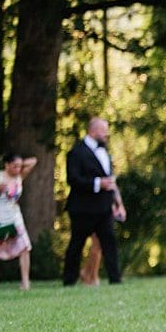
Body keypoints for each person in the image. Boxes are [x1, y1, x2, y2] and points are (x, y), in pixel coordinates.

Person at [62, 117, 123, 286]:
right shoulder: (76, 152)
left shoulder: (105, 152)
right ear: (94, 131)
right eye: (104, 130)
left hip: (104, 208)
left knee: (109, 243)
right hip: (83, 208)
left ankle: (115, 279)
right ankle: (69, 280)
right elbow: (73, 180)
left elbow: (111, 181)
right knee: (77, 244)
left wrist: (118, 203)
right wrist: (98, 183)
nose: (106, 134)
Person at [0, 154, 38, 290]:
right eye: (14, 166)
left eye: (19, 166)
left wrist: (20, 163)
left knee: (25, 246)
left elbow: (34, 161)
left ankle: (25, 282)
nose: (17, 169)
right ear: (6, 164)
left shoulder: (19, 176)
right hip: (0, 215)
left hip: (15, 214)